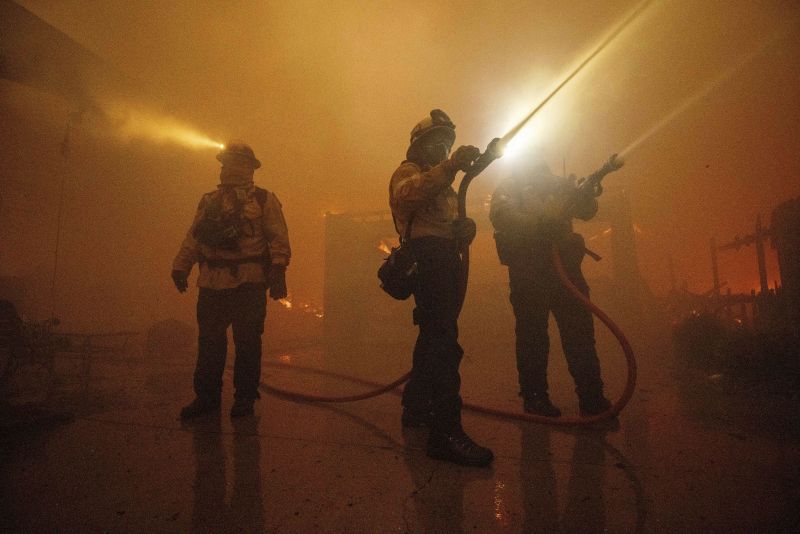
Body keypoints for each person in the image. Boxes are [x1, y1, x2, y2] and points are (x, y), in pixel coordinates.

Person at [389, 109, 493, 467]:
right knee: (444, 346)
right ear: (418, 145)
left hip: (446, 262)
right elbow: (407, 197)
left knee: (432, 338)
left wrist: (466, 229)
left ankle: (416, 408)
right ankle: (445, 434)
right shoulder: (409, 172)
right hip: (428, 263)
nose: (443, 149)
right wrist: (450, 166)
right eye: (436, 142)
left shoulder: (443, 182)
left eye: (447, 143)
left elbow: (446, 221)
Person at [489, 155, 623, 417]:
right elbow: (502, 215)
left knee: (579, 334)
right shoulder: (509, 188)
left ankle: (591, 397)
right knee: (533, 337)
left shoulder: (558, 184)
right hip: (529, 272)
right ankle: (535, 399)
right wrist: (540, 224)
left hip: (565, 270)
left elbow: (586, 211)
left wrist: (587, 195)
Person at [172, 141, 291, 419]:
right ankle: (207, 398)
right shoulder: (209, 201)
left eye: (236, 162)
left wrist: (278, 270)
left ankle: (244, 399)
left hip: (248, 284)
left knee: (247, 344)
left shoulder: (264, 200)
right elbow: (194, 238)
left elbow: (278, 237)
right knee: (209, 343)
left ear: (250, 168)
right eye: (226, 162)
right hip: (211, 284)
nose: (229, 167)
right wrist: (181, 266)